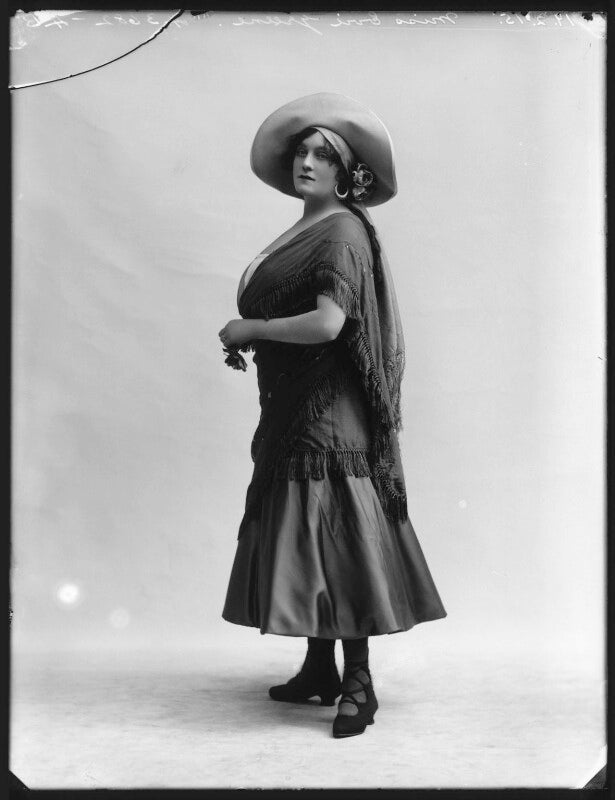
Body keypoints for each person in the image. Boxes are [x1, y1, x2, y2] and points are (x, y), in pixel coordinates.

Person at [218, 93, 446, 739]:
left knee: (337, 536)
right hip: (296, 405)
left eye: (324, 155)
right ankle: (320, 667)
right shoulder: (304, 229)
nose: (308, 162)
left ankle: (358, 683)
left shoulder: (342, 230)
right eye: (302, 151)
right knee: (308, 532)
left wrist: (251, 328)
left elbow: (328, 323)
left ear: (348, 173)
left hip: (331, 412)